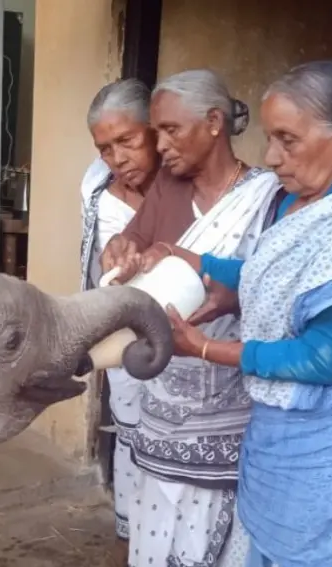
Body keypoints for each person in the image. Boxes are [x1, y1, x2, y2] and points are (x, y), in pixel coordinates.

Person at [143, 60, 332, 567]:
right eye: (269, 138)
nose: (270, 157)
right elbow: (270, 275)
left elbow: (323, 358)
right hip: (285, 433)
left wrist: (203, 349)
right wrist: (193, 261)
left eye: (287, 140)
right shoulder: (297, 205)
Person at [101, 69, 280, 567]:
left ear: (215, 122)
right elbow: (133, 245)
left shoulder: (267, 199)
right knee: (157, 525)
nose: (161, 144)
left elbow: (276, 289)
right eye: (155, 131)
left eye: (170, 130)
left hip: (226, 411)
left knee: (213, 536)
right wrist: (121, 250)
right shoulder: (168, 189)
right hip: (161, 405)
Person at [77, 78, 159, 564]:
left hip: (188, 343)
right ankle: (129, 538)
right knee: (129, 438)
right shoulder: (96, 192)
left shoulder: (191, 193)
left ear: (156, 131)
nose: (117, 158)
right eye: (105, 149)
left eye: (127, 141)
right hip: (124, 341)